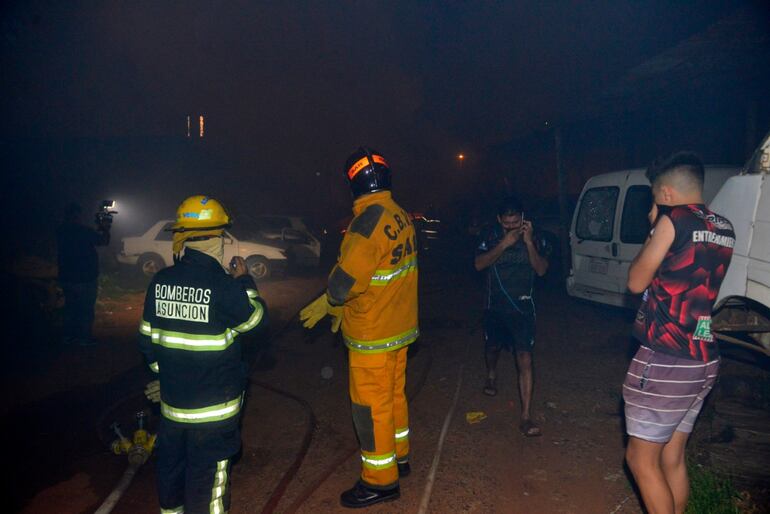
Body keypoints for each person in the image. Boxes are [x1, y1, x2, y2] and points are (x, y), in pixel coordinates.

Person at [300, 147, 419, 508]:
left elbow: (342, 286)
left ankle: (380, 481)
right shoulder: (400, 214)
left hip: (373, 334)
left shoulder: (367, 222)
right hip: (400, 328)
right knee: (394, 398)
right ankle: (400, 458)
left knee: (370, 409)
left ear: (353, 185)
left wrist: (329, 302)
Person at [138, 195, 267, 514]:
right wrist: (245, 282)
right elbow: (254, 320)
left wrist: (165, 374)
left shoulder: (160, 282)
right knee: (207, 487)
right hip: (214, 414)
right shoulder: (222, 286)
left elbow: (147, 341)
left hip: (172, 410)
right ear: (217, 238)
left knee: (171, 476)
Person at [624, 152, 735, 514]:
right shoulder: (724, 226)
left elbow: (636, 280)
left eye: (655, 197)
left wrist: (655, 229)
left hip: (667, 358)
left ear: (667, 194)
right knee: (671, 457)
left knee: (641, 461)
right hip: (703, 356)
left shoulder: (673, 219)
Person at [474, 196, 549, 437]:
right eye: (507, 223)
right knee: (493, 348)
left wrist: (528, 243)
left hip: (523, 308)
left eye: (516, 222)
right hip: (494, 306)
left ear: (523, 219)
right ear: (499, 220)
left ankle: (526, 416)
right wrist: (504, 244)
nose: (512, 227)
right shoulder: (489, 236)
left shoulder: (536, 237)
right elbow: (478, 265)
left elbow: (541, 270)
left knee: (524, 358)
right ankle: (491, 375)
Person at [56, 202, 111, 346]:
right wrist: (105, 228)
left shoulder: (60, 231)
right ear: (77, 215)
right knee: (85, 309)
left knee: (70, 307)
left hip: (67, 277)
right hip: (85, 277)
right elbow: (103, 241)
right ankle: (83, 338)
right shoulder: (83, 231)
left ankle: (68, 337)